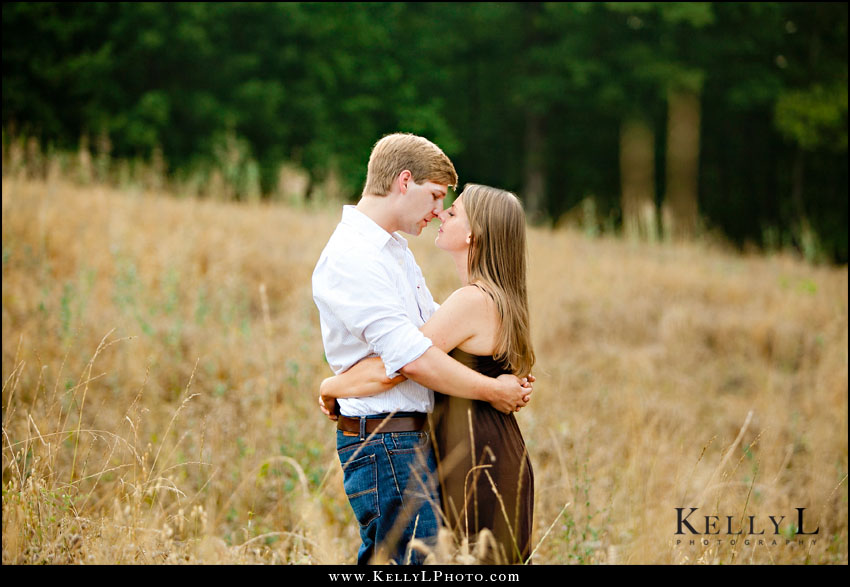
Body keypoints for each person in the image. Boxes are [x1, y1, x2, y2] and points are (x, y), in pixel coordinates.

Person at [311, 133, 532, 566]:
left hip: (409, 437)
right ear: (404, 181)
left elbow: (429, 344)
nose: (438, 211)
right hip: (385, 438)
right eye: (435, 196)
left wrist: (332, 385)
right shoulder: (354, 256)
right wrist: (492, 389)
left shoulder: (394, 252)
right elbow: (411, 358)